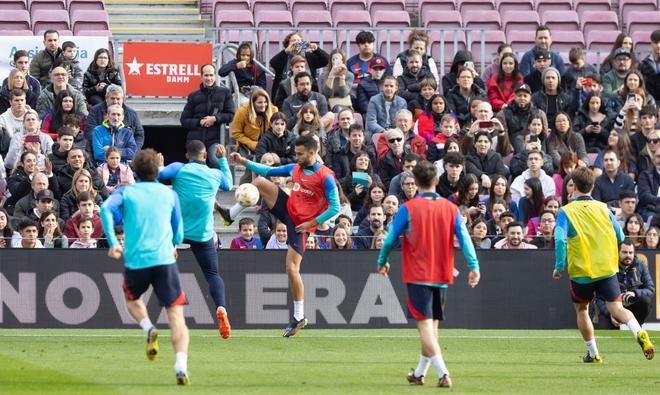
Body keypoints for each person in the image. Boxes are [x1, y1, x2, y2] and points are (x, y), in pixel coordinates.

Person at [377, 160, 479, 388]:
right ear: (436, 181)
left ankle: (443, 373)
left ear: (416, 182)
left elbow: (389, 239)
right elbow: (465, 239)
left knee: (423, 326)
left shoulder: (408, 209)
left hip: (418, 274)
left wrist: (382, 261)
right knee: (432, 327)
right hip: (442, 273)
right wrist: (474, 266)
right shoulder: (450, 209)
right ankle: (420, 373)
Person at [226, 134, 340, 337]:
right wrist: (243, 161)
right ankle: (230, 215)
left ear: (313, 153)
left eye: (300, 154)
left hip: (300, 226)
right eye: (295, 153)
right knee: (260, 181)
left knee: (291, 269)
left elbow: (335, 208)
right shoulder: (295, 168)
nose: (296, 157)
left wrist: (312, 223)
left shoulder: (326, 177)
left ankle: (299, 317)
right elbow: (268, 170)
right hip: (287, 209)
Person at [100, 148, 190, 385]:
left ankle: (148, 326)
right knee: (176, 315)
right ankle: (181, 365)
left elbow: (105, 209)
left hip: (136, 260)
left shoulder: (127, 192)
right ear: (158, 171)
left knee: (131, 299)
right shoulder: (170, 195)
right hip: (164, 260)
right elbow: (179, 232)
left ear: (135, 171)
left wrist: (112, 242)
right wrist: (172, 244)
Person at [552, 166, 654, 363]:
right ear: (592, 186)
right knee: (617, 309)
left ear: (573, 188)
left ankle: (593, 353)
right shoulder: (604, 209)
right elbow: (621, 236)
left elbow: (560, 240)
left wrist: (559, 266)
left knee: (582, 310)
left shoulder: (565, 212)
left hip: (582, 272)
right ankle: (639, 332)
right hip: (606, 270)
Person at [158, 139, 233, 338]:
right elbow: (229, 184)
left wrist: (158, 164)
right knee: (212, 274)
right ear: (205, 156)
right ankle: (221, 308)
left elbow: (156, 175)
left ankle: (171, 307)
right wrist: (223, 160)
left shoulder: (178, 169)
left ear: (187, 155)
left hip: (176, 231)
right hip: (203, 234)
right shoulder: (215, 174)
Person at [180, 64, 235, 169]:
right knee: (195, 166)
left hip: (215, 139)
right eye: (206, 75)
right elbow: (184, 120)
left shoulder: (225, 93)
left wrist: (215, 118)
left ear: (215, 76)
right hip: (195, 140)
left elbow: (231, 114)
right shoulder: (193, 96)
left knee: (215, 161)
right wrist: (199, 122)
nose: (209, 78)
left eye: (211, 75)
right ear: (201, 77)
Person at [595, 240, 655, 328]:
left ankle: (636, 326)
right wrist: (611, 313)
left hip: (632, 306)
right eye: (624, 252)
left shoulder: (640, 266)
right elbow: (599, 297)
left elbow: (650, 289)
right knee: (607, 334)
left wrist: (635, 293)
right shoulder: (609, 267)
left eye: (631, 253)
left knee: (645, 300)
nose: (628, 255)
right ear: (617, 252)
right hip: (612, 307)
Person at [269, 31, 329, 98]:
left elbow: (326, 60)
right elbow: (273, 63)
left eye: (298, 40)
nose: (296, 42)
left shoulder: (309, 57)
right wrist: (286, 51)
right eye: (293, 40)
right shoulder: (284, 56)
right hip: (286, 94)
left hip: (308, 94)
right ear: (288, 44)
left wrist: (317, 49)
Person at [85, 85, 144, 152]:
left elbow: (139, 135)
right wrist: (102, 147)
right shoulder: (95, 111)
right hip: (102, 153)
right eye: (112, 98)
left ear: (122, 99)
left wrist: (131, 151)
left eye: (118, 99)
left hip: (125, 156)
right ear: (106, 98)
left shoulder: (132, 114)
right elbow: (89, 132)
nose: (115, 101)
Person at [231, 88, 278, 169]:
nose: (263, 105)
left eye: (265, 102)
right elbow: (236, 133)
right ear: (253, 103)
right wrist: (252, 144)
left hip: (268, 145)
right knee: (250, 171)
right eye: (259, 102)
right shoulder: (242, 111)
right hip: (249, 146)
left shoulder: (274, 110)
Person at [637, 148, 660, 221]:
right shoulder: (645, 175)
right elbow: (644, 196)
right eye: (658, 156)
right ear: (653, 159)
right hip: (650, 209)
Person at [640, 30, 660, 102]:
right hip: (650, 103)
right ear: (651, 43)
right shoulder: (643, 64)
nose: (658, 45)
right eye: (656, 42)